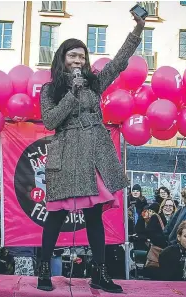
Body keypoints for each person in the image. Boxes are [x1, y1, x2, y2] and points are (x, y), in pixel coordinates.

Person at [37, 10, 144, 293]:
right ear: (62, 59)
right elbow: (50, 121)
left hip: (94, 153)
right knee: (56, 216)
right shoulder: (50, 89)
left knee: (95, 215)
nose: (78, 61)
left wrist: (137, 32)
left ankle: (100, 273)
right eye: (73, 56)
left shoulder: (95, 83)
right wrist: (72, 94)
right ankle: (44, 270)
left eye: (82, 57)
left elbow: (118, 63)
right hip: (67, 155)